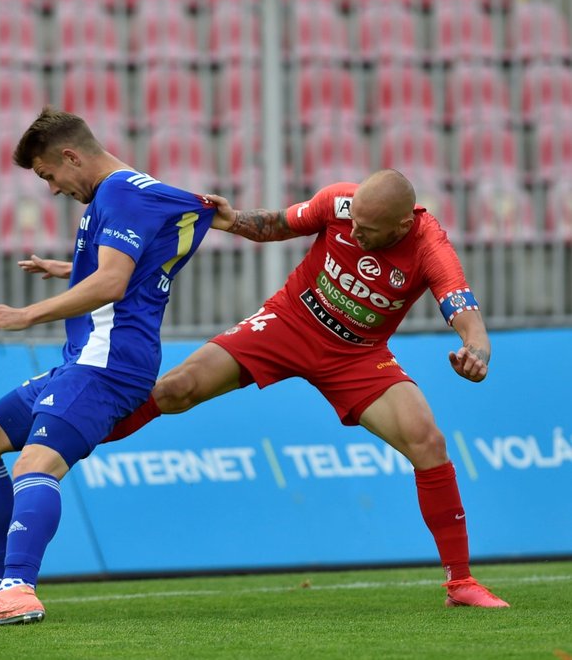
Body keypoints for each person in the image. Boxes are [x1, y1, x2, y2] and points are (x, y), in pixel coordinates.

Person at [103, 169, 509, 608]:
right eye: (353, 222)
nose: (354, 233)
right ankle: (71, 434)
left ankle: (461, 584)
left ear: (402, 226)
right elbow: (279, 225)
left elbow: (469, 320)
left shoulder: (431, 247)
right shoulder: (339, 202)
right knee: (177, 389)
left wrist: (476, 353)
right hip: (290, 321)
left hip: (357, 355)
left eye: (368, 231)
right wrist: (234, 219)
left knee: (428, 441)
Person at [0, 107, 220, 627]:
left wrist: (26, 314)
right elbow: (139, 257)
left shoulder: (118, 192)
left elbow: (114, 282)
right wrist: (71, 268)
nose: (51, 188)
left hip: (107, 366)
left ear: (72, 155)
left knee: (35, 464)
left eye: (49, 175)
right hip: (85, 361)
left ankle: (20, 590)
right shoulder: (134, 191)